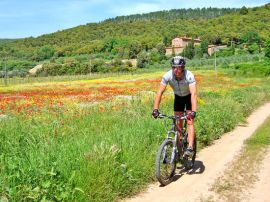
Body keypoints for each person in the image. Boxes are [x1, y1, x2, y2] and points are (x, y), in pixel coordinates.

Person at [152, 56, 197, 157]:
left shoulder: (189, 75)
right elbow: (159, 92)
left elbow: (193, 94)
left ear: (183, 67)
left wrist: (193, 111)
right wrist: (155, 109)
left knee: (190, 121)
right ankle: (179, 146)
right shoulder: (168, 75)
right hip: (178, 98)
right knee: (178, 122)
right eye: (174, 67)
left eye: (179, 67)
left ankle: (190, 147)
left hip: (188, 97)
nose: (176, 70)